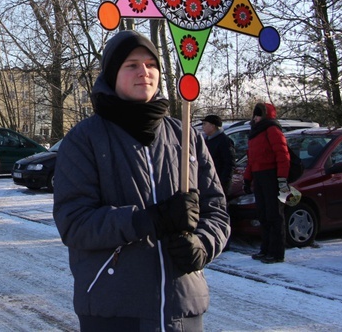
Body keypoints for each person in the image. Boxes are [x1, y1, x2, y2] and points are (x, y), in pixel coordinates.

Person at [53, 30, 230, 331]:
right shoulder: (85, 140)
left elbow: (217, 211)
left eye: (151, 64)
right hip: (115, 309)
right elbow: (75, 222)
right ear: (112, 74)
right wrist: (146, 220)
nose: (144, 72)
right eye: (131, 65)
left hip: (183, 306)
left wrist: (203, 243)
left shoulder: (185, 136)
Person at [243, 102, 290, 264]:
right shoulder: (254, 133)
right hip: (259, 176)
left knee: (274, 215)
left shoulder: (272, 129)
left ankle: (277, 252)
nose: (255, 118)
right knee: (263, 214)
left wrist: (282, 178)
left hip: (272, 177)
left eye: (258, 115)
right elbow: (251, 160)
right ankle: (266, 248)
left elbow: (282, 155)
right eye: (254, 115)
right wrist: (247, 179)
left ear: (265, 116)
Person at [202, 114, 236, 193]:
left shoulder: (224, 141)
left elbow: (229, 164)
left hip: (219, 182)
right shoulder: (206, 140)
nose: (202, 127)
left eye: (205, 124)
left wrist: (224, 183)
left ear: (213, 126)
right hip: (207, 181)